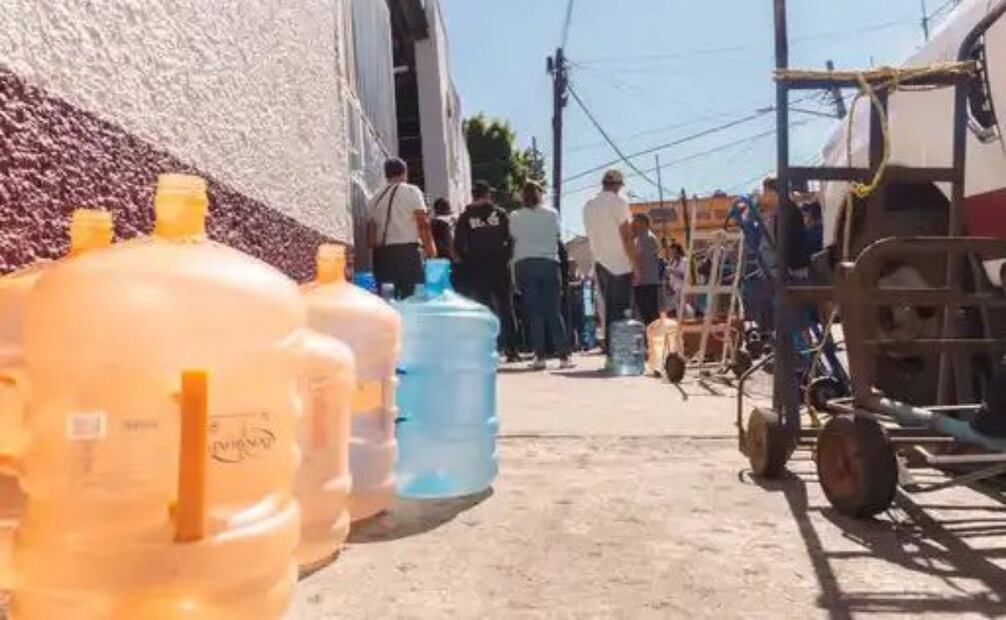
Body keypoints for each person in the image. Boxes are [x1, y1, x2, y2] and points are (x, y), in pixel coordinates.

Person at [509, 181, 574, 370]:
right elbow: (556, 234)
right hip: (549, 262)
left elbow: (514, 236)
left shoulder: (515, 216)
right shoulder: (551, 213)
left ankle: (539, 356)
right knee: (553, 310)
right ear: (540, 194)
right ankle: (564, 356)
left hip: (525, 263)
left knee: (534, 311)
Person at [455, 180, 519, 362]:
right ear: (487, 194)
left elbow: (459, 244)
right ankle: (512, 350)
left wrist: (468, 261)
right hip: (500, 268)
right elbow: (510, 239)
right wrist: (506, 257)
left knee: (484, 310)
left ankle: (489, 349)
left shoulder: (465, 217)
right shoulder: (499, 213)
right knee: (506, 308)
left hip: (478, 268)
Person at [583, 169, 638, 351]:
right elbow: (626, 236)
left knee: (609, 308)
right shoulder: (619, 203)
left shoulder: (589, 206)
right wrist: (635, 263)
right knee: (622, 310)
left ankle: (610, 349)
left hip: (600, 262)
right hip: (620, 263)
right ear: (618, 186)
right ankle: (621, 351)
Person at [367, 158, 436, 298]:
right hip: (408, 254)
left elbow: (371, 236)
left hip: (382, 256)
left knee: (387, 300)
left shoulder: (374, 198)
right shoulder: (411, 191)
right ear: (405, 173)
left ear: (386, 174)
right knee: (413, 298)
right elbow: (422, 223)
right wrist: (430, 249)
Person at [632, 213, 661, 328]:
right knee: (648, 315)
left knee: (648, 315)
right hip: (646, 281)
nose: (632, 224)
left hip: (644, 282)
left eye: (635, 221)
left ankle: (652, 337)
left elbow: (637, 257)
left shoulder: (645, 237)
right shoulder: (645, 237)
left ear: (642, 223)